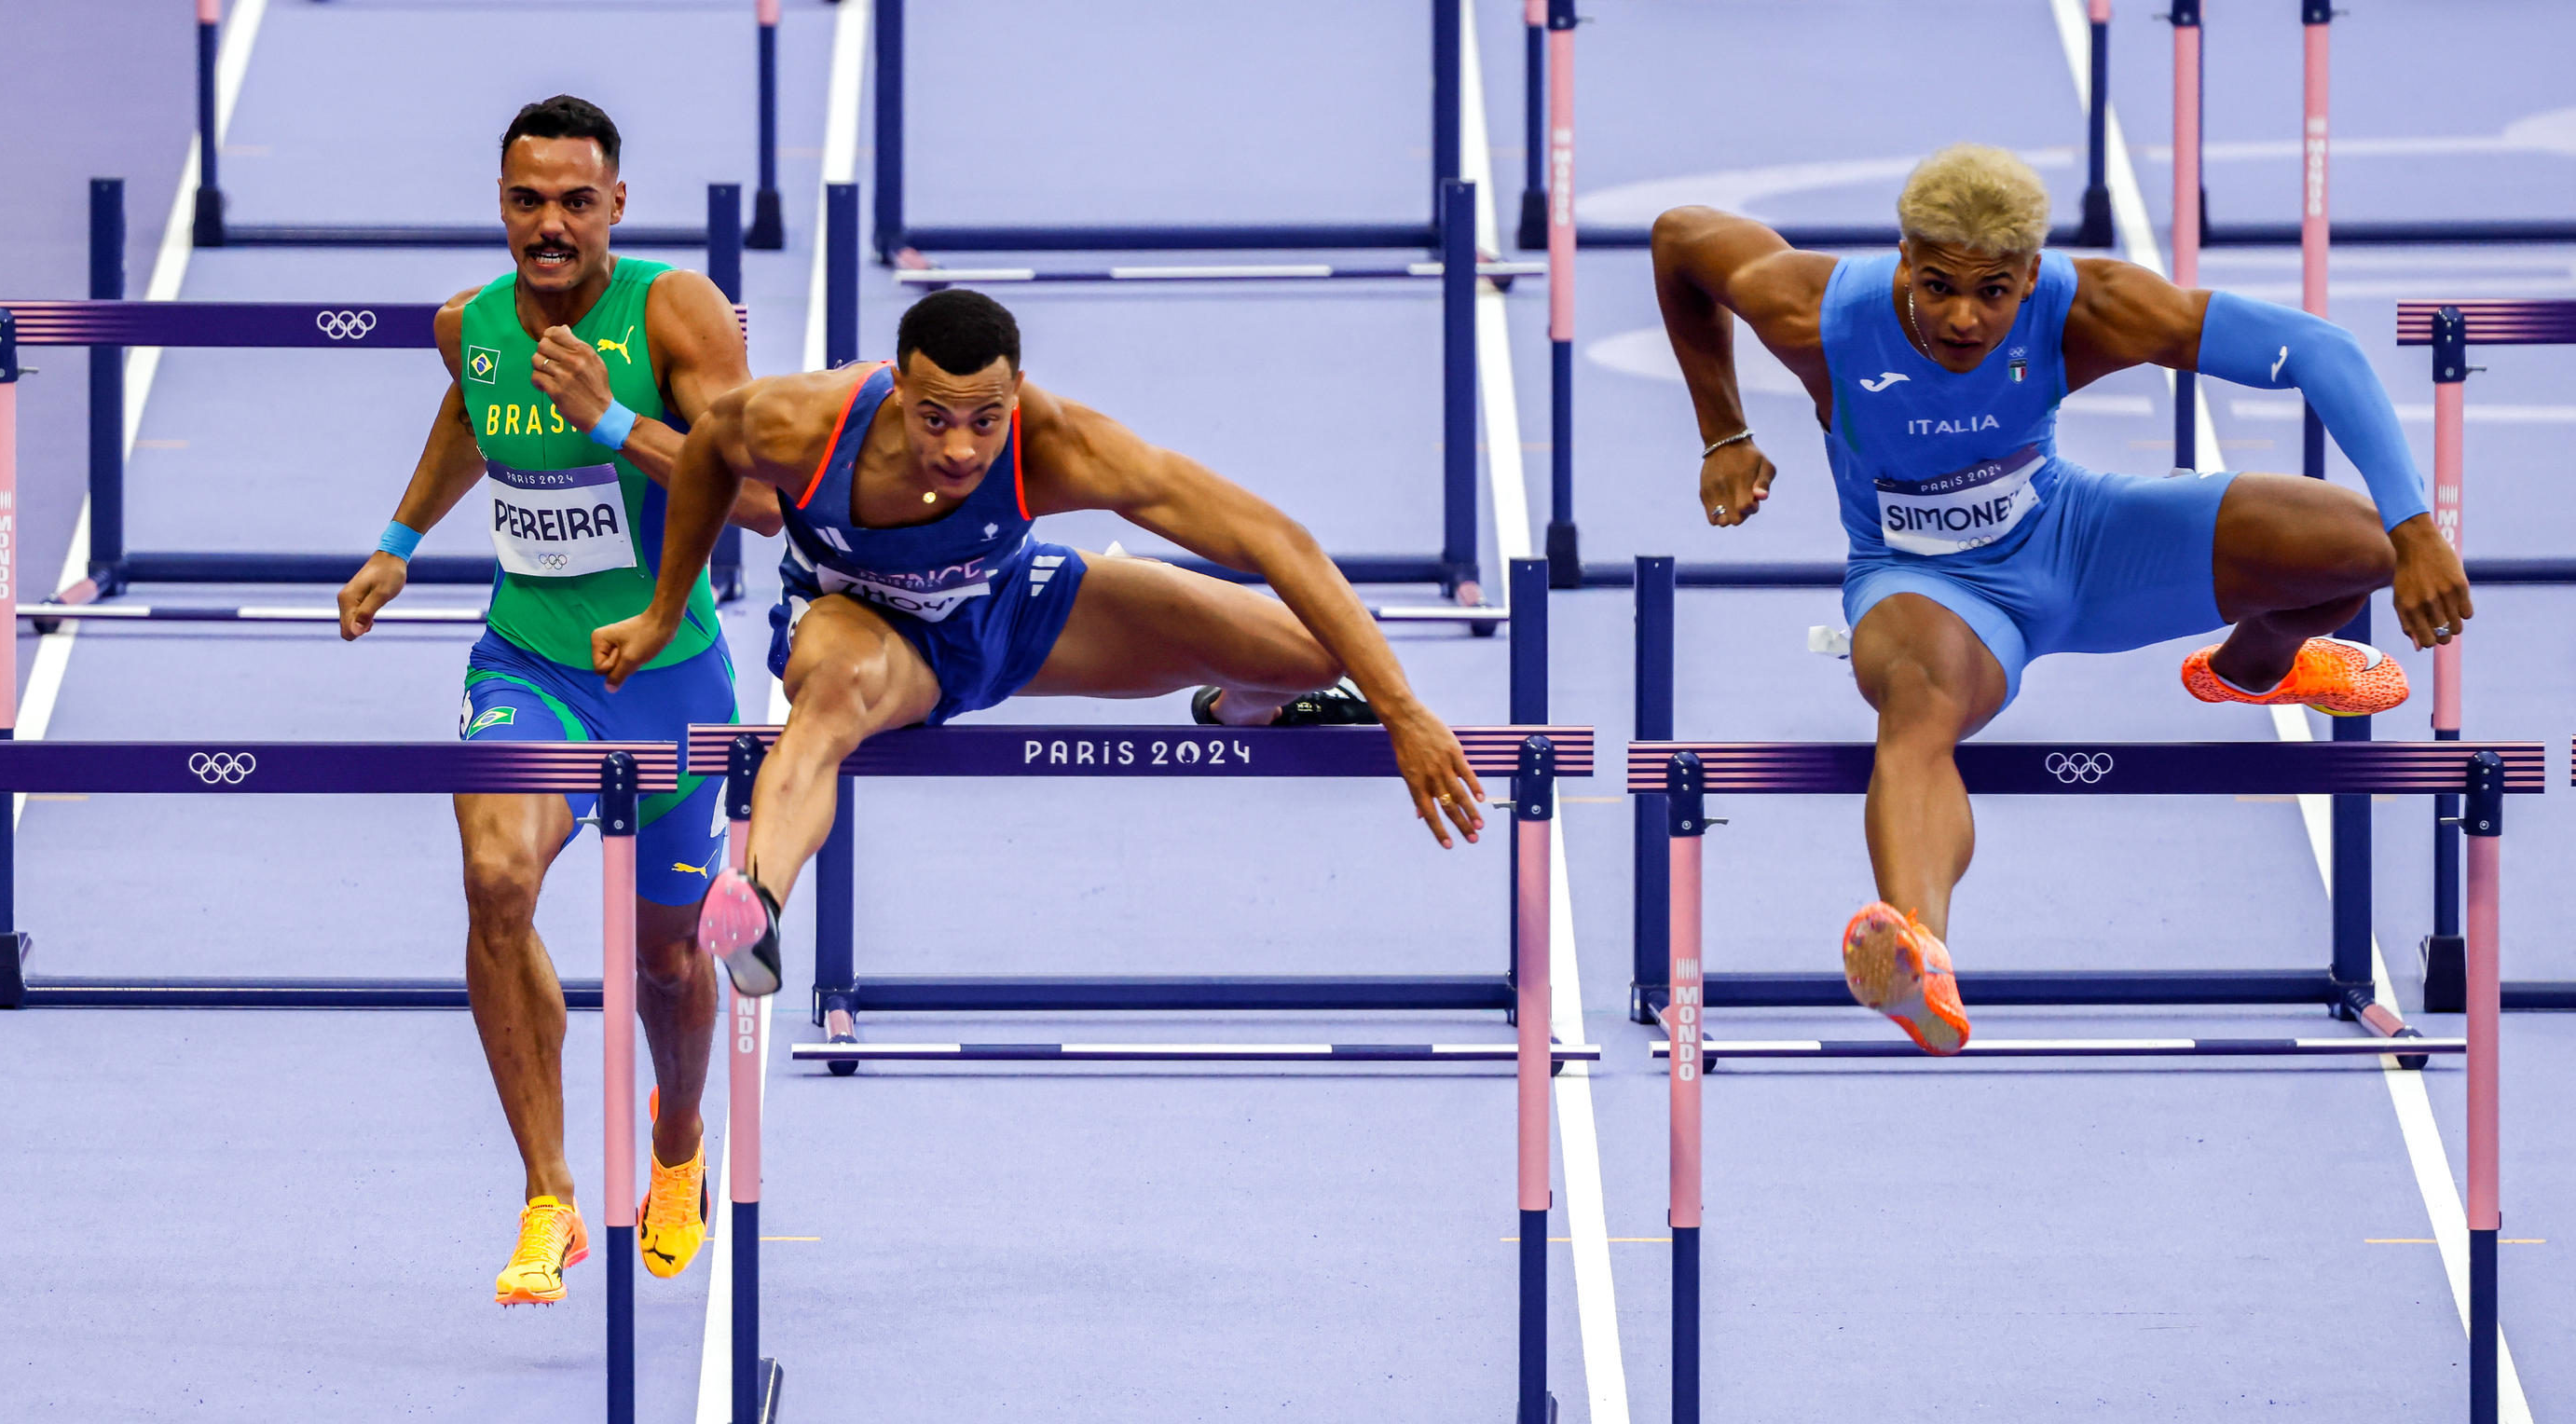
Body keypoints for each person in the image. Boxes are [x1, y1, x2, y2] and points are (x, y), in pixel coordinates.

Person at [1649, 144, 2472, 1055]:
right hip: (1927, 587)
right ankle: (1918, 949)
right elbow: (1679, 240)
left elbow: (2319, 348)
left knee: (2361, 543)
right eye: (1936, 287)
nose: (1963, 318)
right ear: (1903, 259)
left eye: (1993, 293)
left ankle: (2253, 667)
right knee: (1919, 703)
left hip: (2077, 540)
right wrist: (1721, 429)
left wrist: (2415, 527)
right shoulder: (1816, 310)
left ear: (2031, 276)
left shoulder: (2089, 307)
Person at [586, 288, 1488, 999]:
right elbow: (707, 449)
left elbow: (1273, 539)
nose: (961, 447)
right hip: (872, 632)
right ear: (896, 387)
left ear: (1014, 396)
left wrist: (1404, 710)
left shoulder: (1059, 445)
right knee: (827, 702)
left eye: (985, 419)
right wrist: (665, 610)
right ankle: (757, 904)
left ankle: (1242, 705)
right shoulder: (803, 423)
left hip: (1016, 606)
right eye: (934, 416)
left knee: (1310, 651)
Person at [337, 95, 782, 1303]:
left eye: (576, 202)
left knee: (673, 961)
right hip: (528, 671)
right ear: (501, 203)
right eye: (528, 200)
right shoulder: (469, 326)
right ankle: (549, 1195)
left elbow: (759, 500)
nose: (550, 224)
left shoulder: (674, 313)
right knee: (495, 884)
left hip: (670, 680)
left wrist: (614, 420)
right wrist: (398, 538)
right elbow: (472, 422)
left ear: (616, 208)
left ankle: (677, 1146)